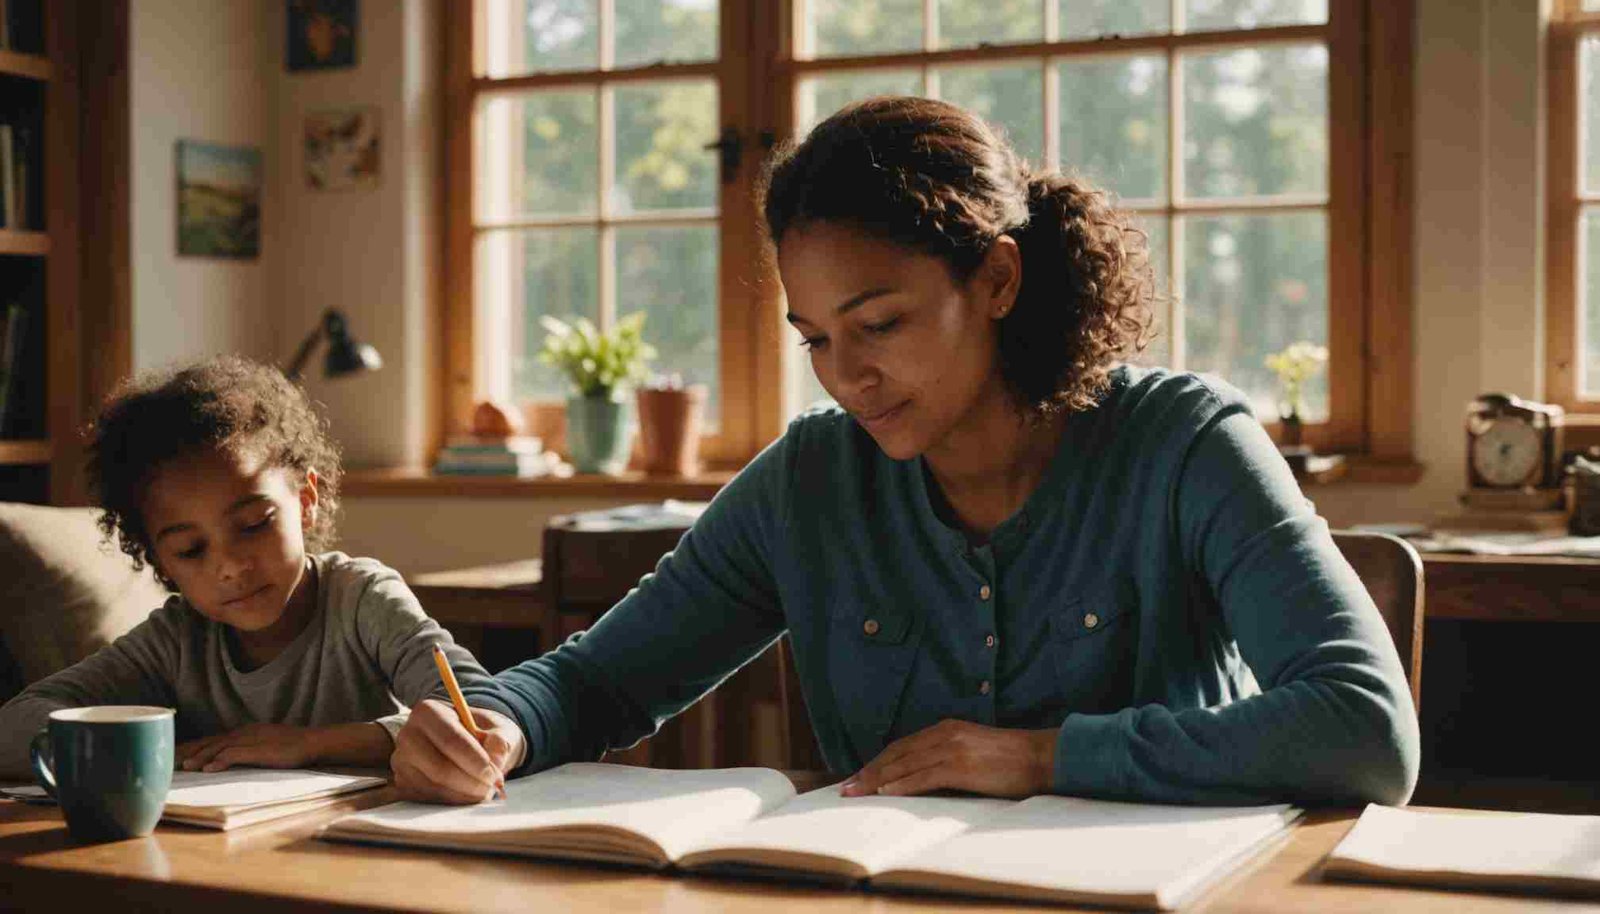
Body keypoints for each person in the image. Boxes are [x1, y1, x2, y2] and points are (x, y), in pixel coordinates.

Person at [390, 96, 1420, 808]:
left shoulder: (1185, 443)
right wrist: (500, 725)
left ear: (998, 279)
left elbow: (1363, 728)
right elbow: (594, 682)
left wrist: (1041, 757)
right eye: (815, 339)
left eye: (878, 323)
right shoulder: (807, 482)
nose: (845, 376)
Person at [0, 356, 492, 777]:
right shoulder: (176, 641)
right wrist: (147, 749)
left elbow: (478, 710)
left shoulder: (362, 599)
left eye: (254, 523)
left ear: (306, 499)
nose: (231, 566)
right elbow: (15, 723)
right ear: (159, 560)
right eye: (192, 550)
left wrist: (308, 744)